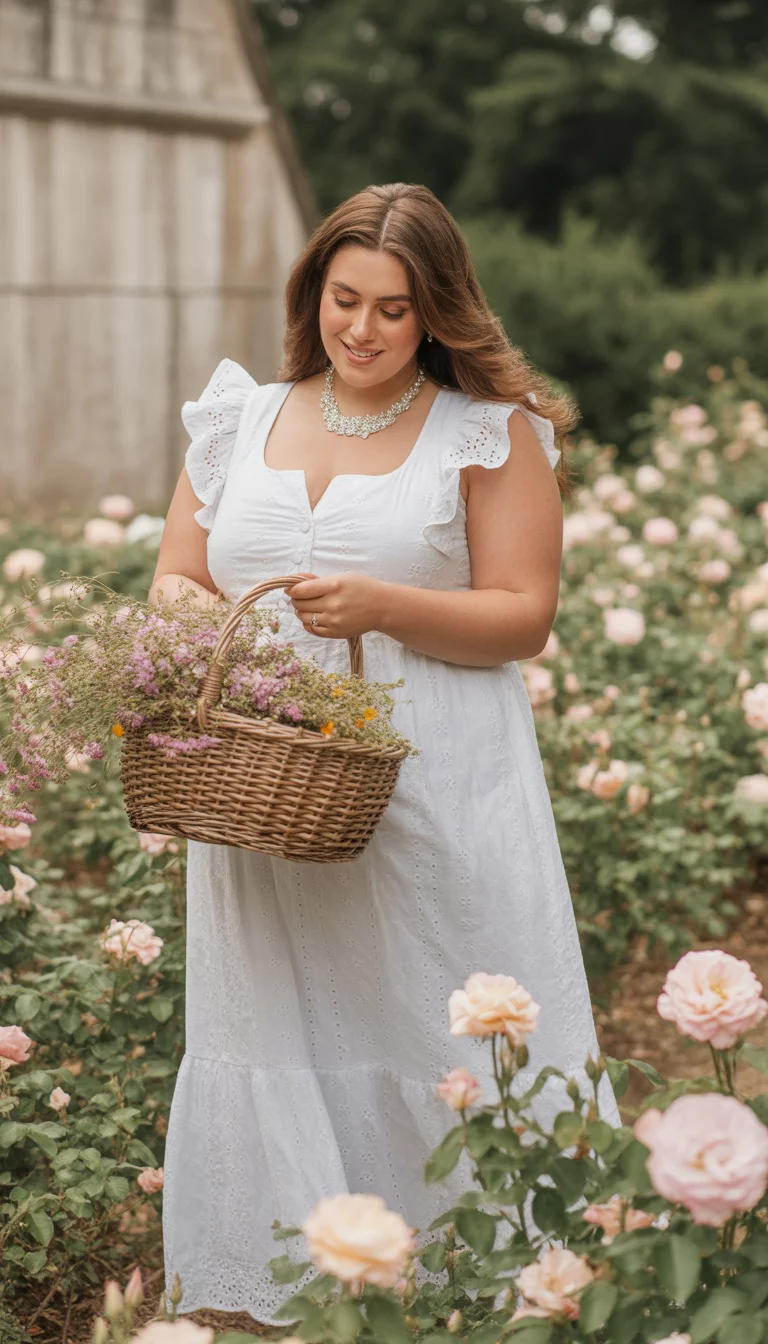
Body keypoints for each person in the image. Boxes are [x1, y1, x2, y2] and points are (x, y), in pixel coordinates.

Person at [149, 182, 618, 1321]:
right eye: (343, 300)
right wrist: (216, 652)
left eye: (393, 309)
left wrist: (384, 604)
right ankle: (309, 1270)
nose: (360, 330)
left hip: (438, 774)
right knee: (287, 1010)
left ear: (438, 312)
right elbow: (176, 577)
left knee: (439, 1005)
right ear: (313, 295)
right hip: (270, 775)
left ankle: (500, 1275)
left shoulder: (486, 432)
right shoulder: (241, 418)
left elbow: (522, 614)